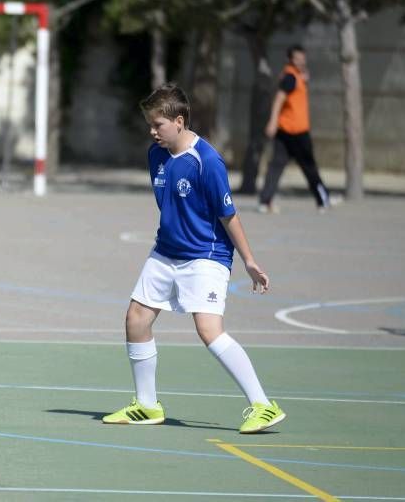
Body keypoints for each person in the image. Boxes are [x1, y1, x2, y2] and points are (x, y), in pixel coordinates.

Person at [102, 83, 286, 434]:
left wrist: (248, 260)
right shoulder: (155, 155)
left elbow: (228, 215)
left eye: (158, 124)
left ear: (180, 121)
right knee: (136, 319)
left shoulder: (208, 161)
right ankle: (146, 404)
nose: (152, 131)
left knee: (208, 330)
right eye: (150, 124)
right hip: (166, 251)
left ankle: (264, 405)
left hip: (206, 256)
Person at [258, 44, 335, 213]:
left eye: (303, 58)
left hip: (287, 130)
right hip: (296, 132)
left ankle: (265, 201)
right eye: (297, 59)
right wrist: (272, 121)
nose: (301, 61)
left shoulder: (295, 75)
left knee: (276, 166)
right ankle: (323, 200)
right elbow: (279, 98)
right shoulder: (290, 78)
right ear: (290, 60)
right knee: (308, 167)